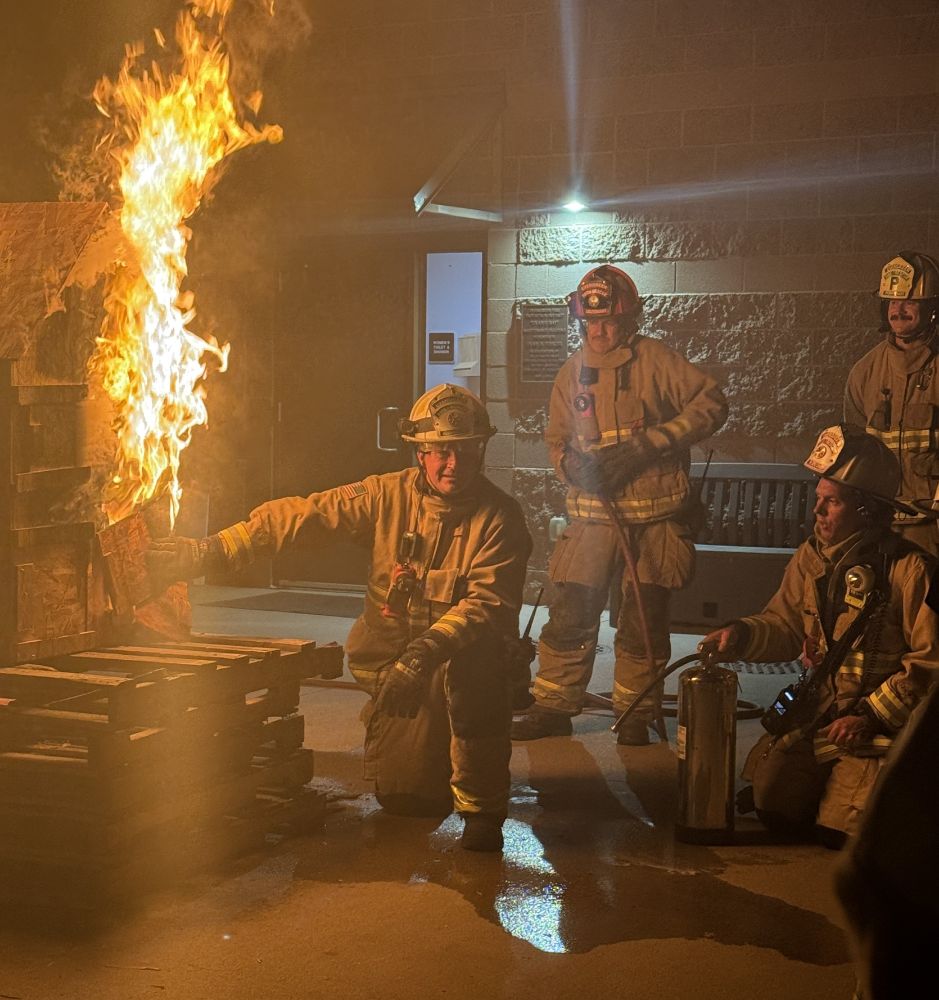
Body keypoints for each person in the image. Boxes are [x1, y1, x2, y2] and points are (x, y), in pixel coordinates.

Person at [148, 384, 533, 853]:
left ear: (481, 449)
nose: (454, 464)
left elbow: (485, 606)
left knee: (481, 670)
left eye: (466, 451)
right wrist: (214, 550)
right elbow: (306, 516)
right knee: (408, 800)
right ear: (420, 454)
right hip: (394, 668)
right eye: (441, 452)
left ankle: (482, 810)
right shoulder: (382, 496)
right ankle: (415, 748)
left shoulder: (501, 518)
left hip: (454, 664)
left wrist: (423, 653)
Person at [511, 265, 728, 746]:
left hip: (654, 522)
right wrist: (572, 468)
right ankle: (552, 705)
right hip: (592, 520)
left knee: (642, 619)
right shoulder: (571, 371)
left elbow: (711, 402)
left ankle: (636, 710)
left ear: (629, 321)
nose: (600, 331)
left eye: (609, 321)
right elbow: (556, 438)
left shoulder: (656, 360)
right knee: (569, 612)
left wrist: (649, 445)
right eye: (591, 322)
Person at [699, 425, 939, 848]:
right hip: (822, 716)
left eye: (833, 502)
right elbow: (785, 624)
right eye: (818, 499)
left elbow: (930, 662)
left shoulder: (910, 569)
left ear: (866, 510)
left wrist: (871, 716)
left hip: (875, 729)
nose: (818, 511)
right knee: (774, 805)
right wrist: (738, 635)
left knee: (837, 835)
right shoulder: (811, 559)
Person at [844, 250, 939, 555]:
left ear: (932, 308)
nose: (899, 310)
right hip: (878, 526)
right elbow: (853, 452)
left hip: (931, 527)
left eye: (910, 302)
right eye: (893, 302)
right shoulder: (864, 372)